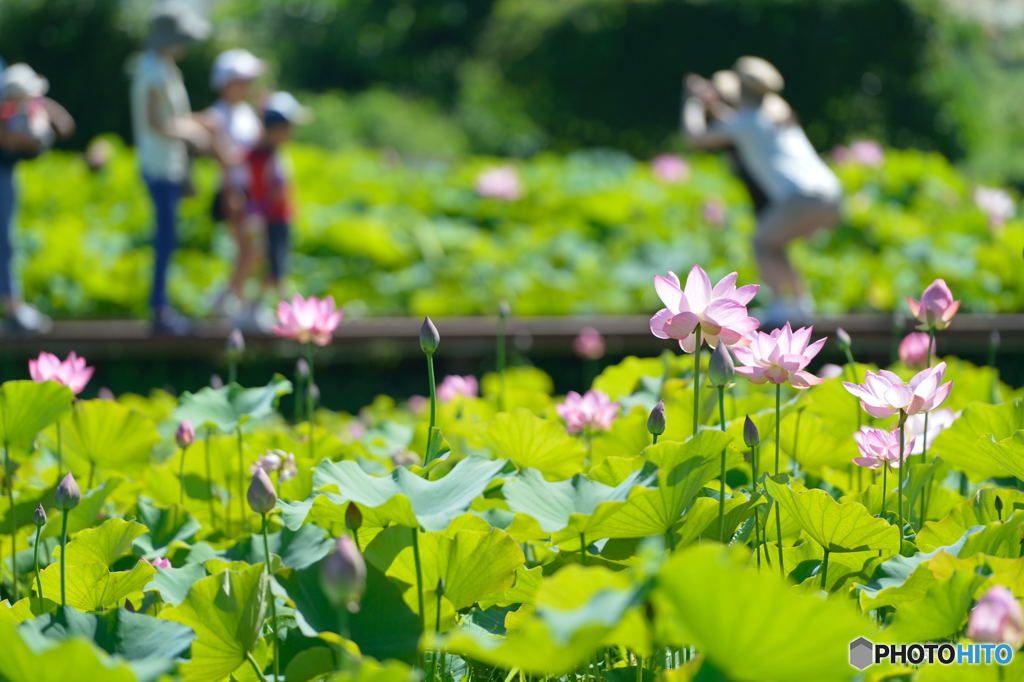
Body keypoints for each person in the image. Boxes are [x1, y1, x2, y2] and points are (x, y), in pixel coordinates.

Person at [681, 56, 842, 325]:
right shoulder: (775, 113)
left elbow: (694, 138)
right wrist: (715, 105)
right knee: (775, 242)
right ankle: (799, 305)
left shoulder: (746, 122)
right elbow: (738, 124)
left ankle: (783, 305)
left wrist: (692, 102)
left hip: (801, 196)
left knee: (761, 242)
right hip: (830, 195)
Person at [130, 2, 210, 335]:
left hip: (171, 164)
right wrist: (192, 133)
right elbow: (155, 122)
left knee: (170, 238)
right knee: (165, 238)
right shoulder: (152, 70)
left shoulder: (164, 66)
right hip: (159, 165)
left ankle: (162, 305)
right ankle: (159, 309)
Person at [0, 62, 75, 334]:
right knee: (4, 243)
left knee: (7, 241)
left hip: (8, 172)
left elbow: (65, 126)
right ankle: (12, 307)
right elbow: (15, 140)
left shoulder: (28, 106)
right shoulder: (7, 110)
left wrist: (40, 111)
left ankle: (13, 304)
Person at [198, 48, 266, 326]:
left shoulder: (245, 113)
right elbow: (224, 159)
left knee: (252, 250)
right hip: (233, 190)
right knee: (248, 250)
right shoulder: (218, 115)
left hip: (250, 190)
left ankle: (227, 297)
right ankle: (232, 302)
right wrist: (231, 193)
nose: (248, 86)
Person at [245, 92, 309, 308]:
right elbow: (264, 192)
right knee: (272, 269)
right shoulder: (258, 156)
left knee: (278, 267)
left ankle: (271, 305)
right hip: (269, 220)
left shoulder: (274, 153)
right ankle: (270, 307)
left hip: (280, 218)